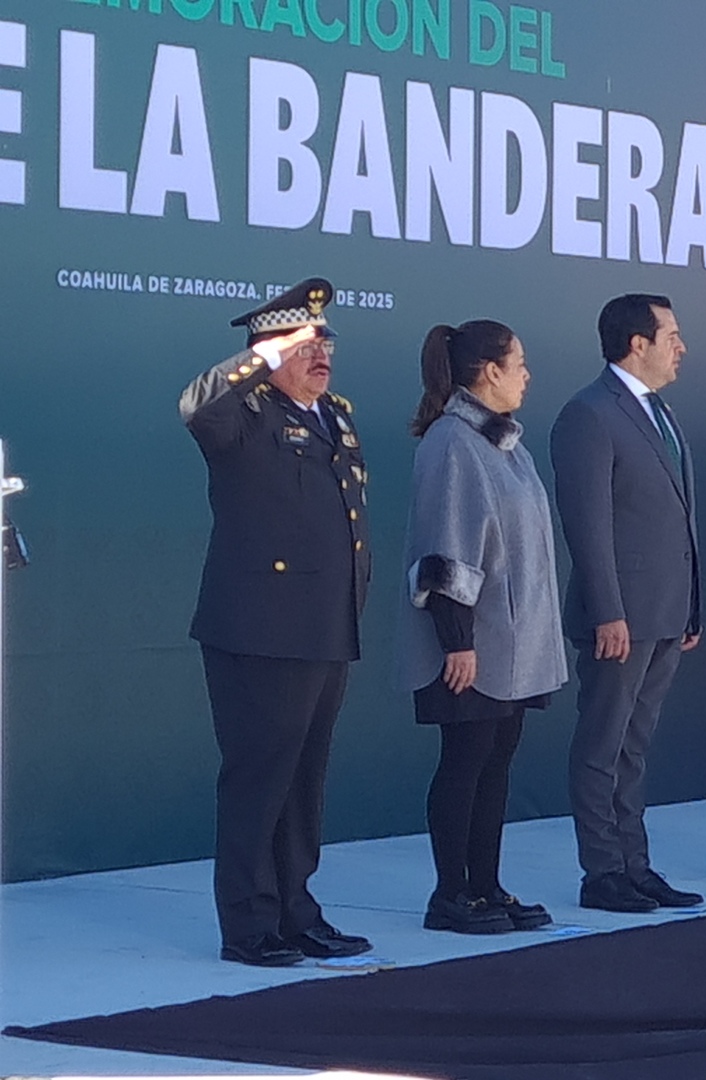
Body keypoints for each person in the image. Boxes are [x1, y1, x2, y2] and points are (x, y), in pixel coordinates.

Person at [179, 278, 373, 966]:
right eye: (303, 343)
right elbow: (197, 408)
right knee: (259, 781)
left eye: (324, 341)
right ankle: (249, 925)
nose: (321, 352)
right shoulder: (244, 415)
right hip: (258, 632)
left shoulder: (334, 417)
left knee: (303, 785)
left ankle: (298, 910)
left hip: (323, 630)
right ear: (267, 351)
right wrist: (261, 359)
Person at [400, 320, 565, 934]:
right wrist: (457, 642)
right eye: (518, 362)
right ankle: (450, 896)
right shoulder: (450, 441)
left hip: (511, 646)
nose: (527, 374)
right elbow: (445, 547)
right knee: (465, 760)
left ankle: (486, 886)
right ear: (489, 371)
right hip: (470, 645)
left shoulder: (504, 444)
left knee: (496, 761)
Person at [549, 294, 705, 914]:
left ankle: (635, 864)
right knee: (602, 743)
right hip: (621, 616)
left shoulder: (658, 411)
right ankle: (602, 872)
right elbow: (587, 525)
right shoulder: (589, 414)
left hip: (666, 610)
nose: (681, 345)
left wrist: (690, 606)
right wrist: (606, 609)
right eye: (671, 333)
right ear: (636, 343)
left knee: (635, 745)